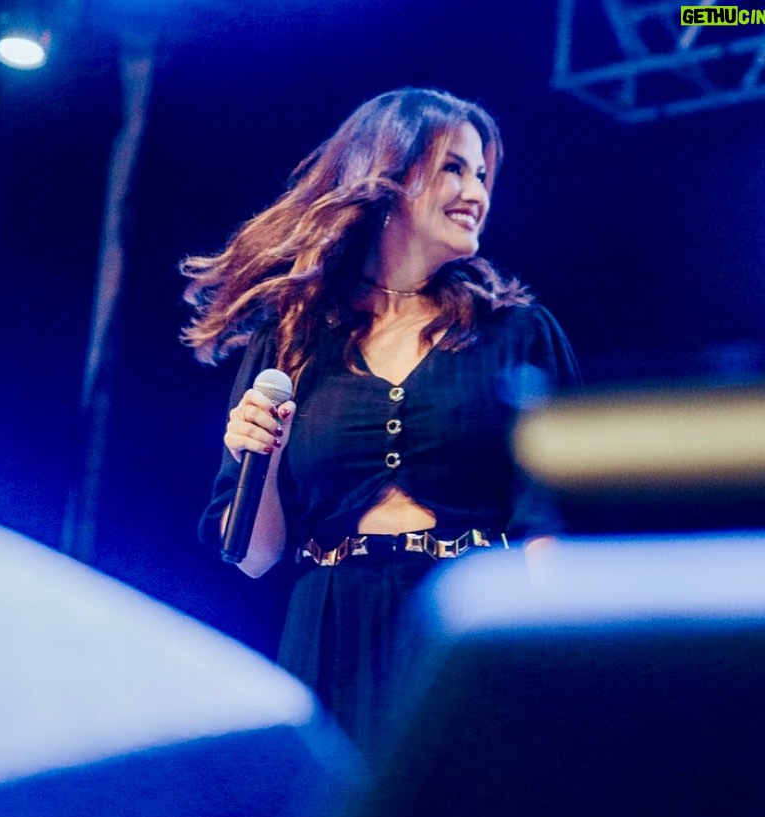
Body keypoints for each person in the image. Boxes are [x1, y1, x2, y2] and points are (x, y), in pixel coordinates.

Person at [181, 88, 580, 762]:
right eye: (453, 168)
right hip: (329, 625)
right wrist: (260, 456)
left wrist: (544, 656)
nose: (476, 192)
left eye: (482, 174)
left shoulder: (516, 332)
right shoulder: (292, 339)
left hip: (464, 616)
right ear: (388, 175)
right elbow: (252, 556)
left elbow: (549, 516)